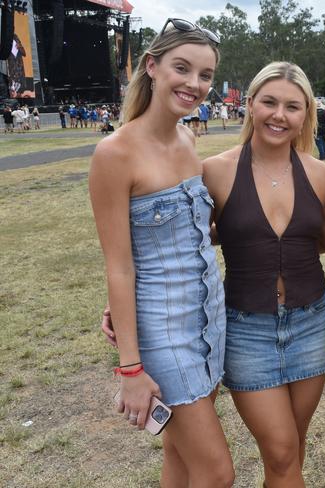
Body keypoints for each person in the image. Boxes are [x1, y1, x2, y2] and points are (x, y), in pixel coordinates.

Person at [89, 18, 234, 487]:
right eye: (182, 68)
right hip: (164, 332)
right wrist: (130, 368)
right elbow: (119, 264)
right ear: (152, 66)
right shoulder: (115, 154)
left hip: (210, 316)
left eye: (206, 75)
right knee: (216, 473)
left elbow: (193, 234)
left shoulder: (189, 140)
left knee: (181, 456)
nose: (195, 84)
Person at [201, 61, 325, 487]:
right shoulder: (215, 171)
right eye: (269, 102)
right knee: (281, 450)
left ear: (307, 115)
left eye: (292, 107)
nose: (279, 115)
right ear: (249, 105)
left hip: (310, 324)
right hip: (247, 331)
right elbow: (183, 244)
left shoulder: (321, 175)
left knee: (291, 448)